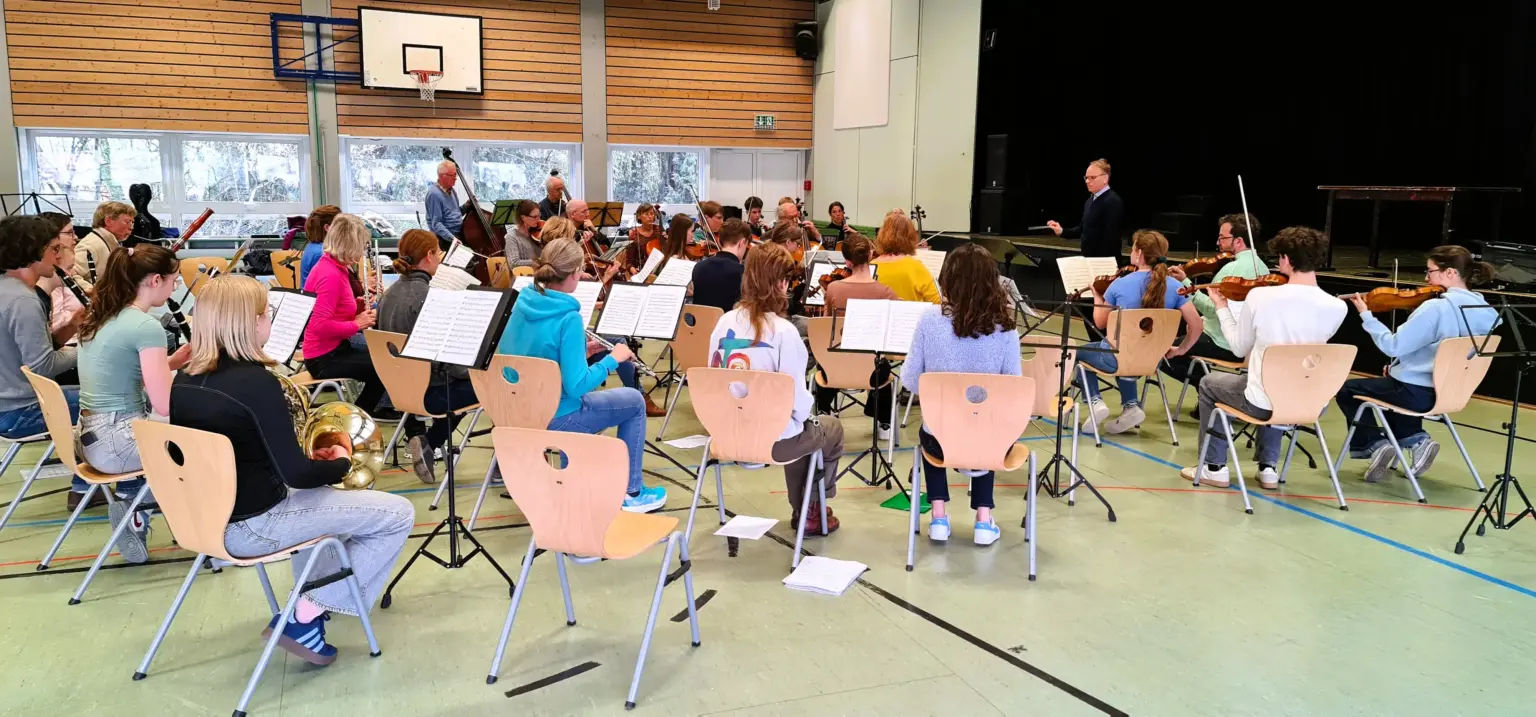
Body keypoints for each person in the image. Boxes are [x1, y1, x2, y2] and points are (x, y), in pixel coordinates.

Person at [172, 274, 413, 666]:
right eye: (266, 313)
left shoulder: (184, 378)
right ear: (248, 324)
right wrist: (340, 461)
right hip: (253, 525)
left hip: (203, 519)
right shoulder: (256, 384)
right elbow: (296, 476)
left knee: (325, 507)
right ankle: (306, 613)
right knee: (398, 515)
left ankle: (313, 606)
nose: (270, 320)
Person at [496, 239, 668, 513]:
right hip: (556, 416)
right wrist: (613, 359)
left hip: (517, 412)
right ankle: (632, 491)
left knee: (597, 398)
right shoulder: (569, 317)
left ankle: (572, 483)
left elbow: (537, 357)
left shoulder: (522, 303)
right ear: (576, 272)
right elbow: (576, 387)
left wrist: (582, 352)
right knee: (634, 401)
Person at [1180, 227, 1347, 489]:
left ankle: (1214, 467)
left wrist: (1222, 308)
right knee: (1281, 381)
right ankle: (1268, 468)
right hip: (1310, 404)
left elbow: (1237, 348)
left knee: (1210, 383)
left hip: (1263, 403)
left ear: (1286, 260)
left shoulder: (1260, 296)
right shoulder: (1338, 307)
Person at [709, 243, 845, 533]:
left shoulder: (722, 322)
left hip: (727, 434)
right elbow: (797, 405)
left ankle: (808, 507)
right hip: (773, 440)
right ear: (781, 284)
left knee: (797, 428)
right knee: (824, 428)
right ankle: (811, 507)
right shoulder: (784, 332)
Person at [1335, 245, 1500, 483]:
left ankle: (1376, 445)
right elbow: (1442, 355)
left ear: (1450, 273)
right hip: (1452, 392)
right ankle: (1417, 441)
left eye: (1430, 271)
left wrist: (1366, 316)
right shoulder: (1487, 311)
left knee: (1348, 390)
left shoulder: (1436, 308)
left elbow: (1393, 346)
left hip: (1418, 393)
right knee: (1393, 383)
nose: (1425, 278)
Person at [74, 244, 191, 563]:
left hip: (90, 438)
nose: (174, 287)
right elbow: (165, 405)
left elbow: (120, 372)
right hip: (118, 443)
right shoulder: (146, 327)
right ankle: (207, 523)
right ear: (155, 281)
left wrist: (170, 363)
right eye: (174, 280)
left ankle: (132, 503)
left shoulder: (104, 314)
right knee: (208, 440)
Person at [903, 243, 1019, 544]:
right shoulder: (1006, 328)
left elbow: (910, 380)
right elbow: (1012, 388)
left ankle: (938, 516)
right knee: (986, 420)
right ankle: (983, 519)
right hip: (988, 442)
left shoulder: (929, 320)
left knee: (934, 426)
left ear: (947, 279)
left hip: (940, 440)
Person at [0, 216, 93, 511]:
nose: (58, 255)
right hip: (18, 411)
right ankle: (91, 487)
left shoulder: (7, 290)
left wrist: (74, 328)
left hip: (9, 403)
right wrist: (92, 347)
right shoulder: (23, 300)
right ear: (32, 250)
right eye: (53, 249)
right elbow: (42, 367)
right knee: (110, 402)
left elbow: (27, 352)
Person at [377, 229, 481, 483]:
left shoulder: (388, 294)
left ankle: (428, 443)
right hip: (428, 394)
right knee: (486, 386)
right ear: (429, 256)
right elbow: (448, 363)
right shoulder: (428, 298)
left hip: (397, 390)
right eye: (438, 253)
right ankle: (430, 442)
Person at [1076, 230, 1203, 434]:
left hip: (1116, 359)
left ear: (1139, 253)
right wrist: (1181, 349)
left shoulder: (1120, 284)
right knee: (1129, 353)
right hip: (1153, 360)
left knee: (1079, 352)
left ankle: (1096, 402)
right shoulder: (1176, 286)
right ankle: (1130, 406)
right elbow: (1196, 325)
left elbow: (1099, 323)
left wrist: (1097, 297)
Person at [1163, 214, 1269, 386]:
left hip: (1222, 342)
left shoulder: (1231, 269)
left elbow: (1212, 309)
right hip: (1249, 345)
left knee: (1161, 350)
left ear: (1238, 241)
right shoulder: (1263, 268)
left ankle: (1207, 390)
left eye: (1222, 238)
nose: (1218, 243)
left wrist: (1185, 283)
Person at [300, 213, 390, 416]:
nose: (362, 251)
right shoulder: (330, 274)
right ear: (350, 245)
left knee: (384, 362)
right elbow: (319, 325)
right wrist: (356, 325)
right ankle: (354, 420)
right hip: (324, 357)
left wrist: (357, 307)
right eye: (361, 245)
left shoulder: (335, 266)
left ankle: (357, 416)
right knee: (386, 368)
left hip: (335, 349)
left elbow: (335, 310)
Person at [814, 232, 898, 439]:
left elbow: (826, 329)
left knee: (826, 361)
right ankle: (884, 422)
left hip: (835, 370)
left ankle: (823, 409)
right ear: (871, 254)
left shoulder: (833, 288)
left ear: (846, 261)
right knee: (882, 364)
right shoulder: (885, 291)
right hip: (872, 374)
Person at [1046, 158, 1125, 259]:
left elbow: (1111, 239)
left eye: (1092, 177)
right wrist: (1061, 231)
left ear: (1105, 179)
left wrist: (1098, 264)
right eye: (1086, 178)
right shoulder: (1090, 200)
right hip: (1090, 261)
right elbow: (1082, 229)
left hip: (1104, 264)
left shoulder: (1112, 201)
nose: (1087, 181)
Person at [35, 212, 86, 347]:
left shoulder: (65, 261)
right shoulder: (46, 277)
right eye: (69, 233)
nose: (75, 237)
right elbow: (44, 355)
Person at [870, 210, 940, 304]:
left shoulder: (871, 266)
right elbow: (938, 302)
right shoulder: (915, 267)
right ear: (910, 236)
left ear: (882, 234)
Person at [691, 217, 751, 313]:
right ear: (742, 243)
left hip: (701, 326)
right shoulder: (742, 272)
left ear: (719, 241)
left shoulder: (699, 267)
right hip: (728, 326)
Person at [76, 201, 136, 282]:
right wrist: (92, 291)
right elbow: (69, 275)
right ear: (108, 221)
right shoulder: (91, 245)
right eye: (127, 222)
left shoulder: (107, 242)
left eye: (132, 223)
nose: (131, 227)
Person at [299, 205, 340, 290]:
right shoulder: (320, 253)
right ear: (327, 228)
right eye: (340, 226)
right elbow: (329, 288)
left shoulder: (314, 247)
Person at [425, 160, 464, 249]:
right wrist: (452, 238)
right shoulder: (434, 194)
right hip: (444, 239)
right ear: (443, 176)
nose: (455, 178)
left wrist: (467, 206)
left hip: (456, 235)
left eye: (455, 174)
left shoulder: (452, 190)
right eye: (452, 175)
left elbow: (455, 214)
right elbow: (437, 223)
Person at [505, 200, 542, 268]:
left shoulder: (538, 231)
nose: (538, 219)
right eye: (534, 217)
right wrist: (533, 263)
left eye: (539, 215)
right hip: (524, 276)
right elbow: (513, 263)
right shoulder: (512, 237)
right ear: (522, 217)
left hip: (541, 273)